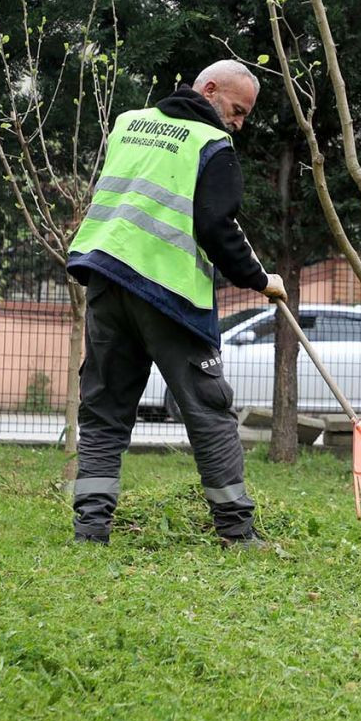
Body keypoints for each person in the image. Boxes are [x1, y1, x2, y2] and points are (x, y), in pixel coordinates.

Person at [65, 59, 286, 549]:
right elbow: (215, 228)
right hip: (168, 295)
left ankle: (90, 531)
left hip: (105, 280)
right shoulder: (212, 145)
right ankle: (237, 531)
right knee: (209, 412)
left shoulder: (129, 123)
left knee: (103, 411)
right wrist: (259, 279)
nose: (239, 123)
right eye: (237, 110)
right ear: (209, 89)